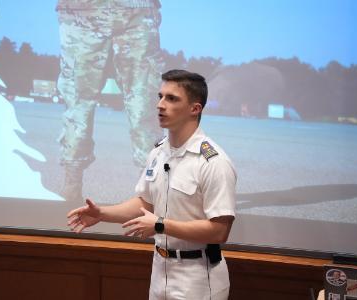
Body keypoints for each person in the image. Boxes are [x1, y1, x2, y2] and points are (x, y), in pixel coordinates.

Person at [67, 69, 237, 299]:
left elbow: (219, 231)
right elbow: (145, 203)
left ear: (195, 109)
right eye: (160, 96)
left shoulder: (213, 161)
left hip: (198, 277)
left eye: (172, 98)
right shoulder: (158, 152)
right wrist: (102, 213)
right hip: (160, 270)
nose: (160, 104)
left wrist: (160, 225)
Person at [56, 0, 163, 201]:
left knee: (81, 101)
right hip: (116, 9)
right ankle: (72, 184)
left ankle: (149, 188)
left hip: (99, 10)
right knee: (141, 100)